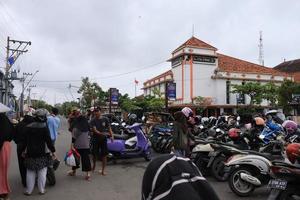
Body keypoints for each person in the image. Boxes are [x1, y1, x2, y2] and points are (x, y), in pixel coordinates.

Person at [21, 109, 56, 196]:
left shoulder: (28, 127)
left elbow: (24, 141)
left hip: (30, 153)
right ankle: (41, 190)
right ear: (43, 117)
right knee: (42, 171)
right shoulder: (44, 127)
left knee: (30, 171)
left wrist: (23, 151)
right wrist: (53, 151)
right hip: (42, 153)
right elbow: (49, 141)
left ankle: (29, 191)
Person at [67, 112, 92, 181]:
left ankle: (73, 172)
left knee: (75, 159)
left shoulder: (76, 127)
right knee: (86, 160)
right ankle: (88, 174)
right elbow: (90, 134)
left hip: (77, 146)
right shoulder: (87, 126)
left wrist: (71, 146)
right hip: (86, 145)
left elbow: (73, 138)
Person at [90, 107, 113, 175]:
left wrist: (112, 135)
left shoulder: (105, 119)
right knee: (94, 154)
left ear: (100, 111)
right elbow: (94, 130)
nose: (96, 112)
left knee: (104, 155)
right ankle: (94, 166)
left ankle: (103, 170)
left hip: (103, 139)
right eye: (95, 111)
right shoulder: (93, 120)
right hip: (95, 139)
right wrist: (103, 133)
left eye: (97, 111)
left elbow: (109, 128)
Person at [14, 112, 34, 187]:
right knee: (30, 163)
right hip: (29, 146)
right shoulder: (31, 125)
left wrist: (17, 142)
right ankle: (31, 181)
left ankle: (24, 181)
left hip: (20, 146)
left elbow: (14, 135)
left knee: (21, 163)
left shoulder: (19, 124)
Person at [0, 113, 14, 200]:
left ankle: (2, 191)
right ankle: (4, 193)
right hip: (7, 146)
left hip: (1, 147)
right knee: (3, 170)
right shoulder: (8, 123)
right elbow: (13, 133)